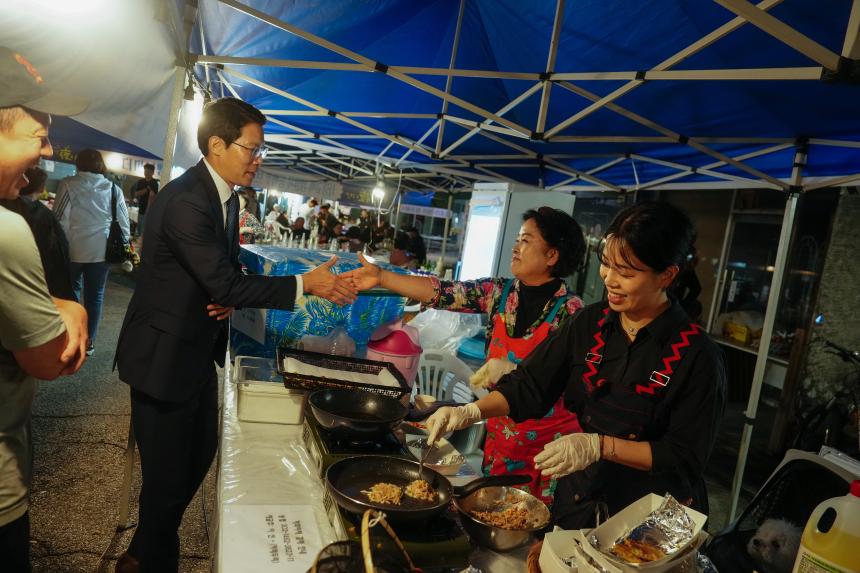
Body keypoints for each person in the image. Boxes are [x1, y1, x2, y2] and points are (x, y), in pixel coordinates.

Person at [113, 97, 356, 573]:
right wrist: (305, 285)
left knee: (199, 456)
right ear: (217, 144)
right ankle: (146, 558)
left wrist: (236, 289)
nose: (258, 158)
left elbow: (224, 271)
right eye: (252, 148)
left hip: (194, 354)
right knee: (166, 480)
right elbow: (222, 280)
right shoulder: (187, 199)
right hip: (163, 359)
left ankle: (148, 549)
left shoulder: (220, 194)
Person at [424, 201, 727, 529]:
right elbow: (531, 384)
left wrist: (600, 446)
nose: (610, 280)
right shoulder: (590, 323)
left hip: (651, 519)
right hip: (583, 499)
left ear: (666, 275)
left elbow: (683, 456)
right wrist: (470, 413)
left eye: (626, 273)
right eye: (607, 265)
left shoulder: (697, 355)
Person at [344, 207, 587, 505]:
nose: (515, 247)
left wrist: (515, 370)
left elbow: (576, 383)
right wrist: (382, 277)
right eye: (517, 238)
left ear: (552, 255)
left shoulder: (571, 312)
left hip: (549, 449)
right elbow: (443, 291)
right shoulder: (500, 292)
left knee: (535, 527)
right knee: (495, 513)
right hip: (501, 436)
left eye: (525, 240)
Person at [0, 45, 89, 573]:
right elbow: (52, 360)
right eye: (38, 135)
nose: (48, 150)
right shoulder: (8, 233)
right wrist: (71, 312)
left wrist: (52, 300)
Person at [54, 148, 131, 355]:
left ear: (78, 163)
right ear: (100, 165)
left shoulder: (67, 184)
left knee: (71, 294)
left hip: (73, 249)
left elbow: (60, 218)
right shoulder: (114, 189)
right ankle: (89, 342)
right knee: (95, 296)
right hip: (101, 250)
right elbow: (123, 223)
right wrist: (126, 251)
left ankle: (70, 337)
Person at [0, 166, 75, 300]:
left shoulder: (5, 206)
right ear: (41, 188)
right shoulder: (44, 215)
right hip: (36, 277)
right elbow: (59, 251)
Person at [132, 163, 158, 237]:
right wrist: (146, 190)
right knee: (139, 228)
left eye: (148, 171)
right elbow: (136, 194)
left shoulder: (154, 183)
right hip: (141, 209)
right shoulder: (141, 181)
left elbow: (153, 196)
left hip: (149, 211)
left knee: (145, 231)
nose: (146, 173)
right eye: (145, 171)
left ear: (152, 172)